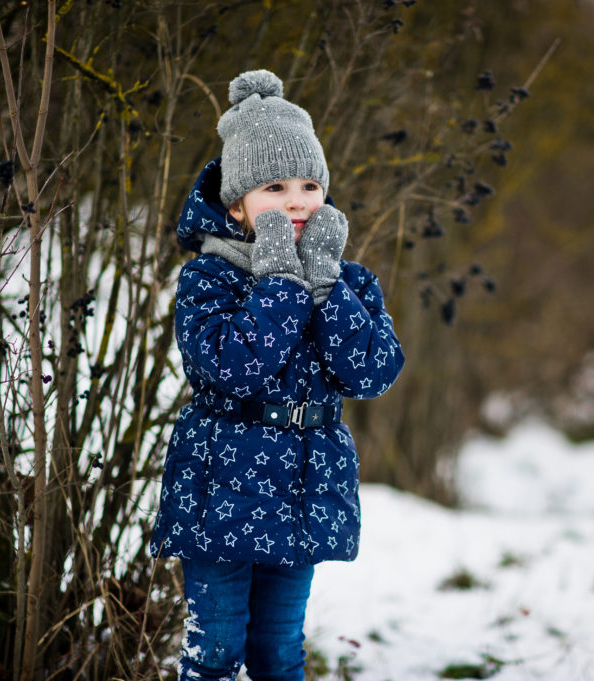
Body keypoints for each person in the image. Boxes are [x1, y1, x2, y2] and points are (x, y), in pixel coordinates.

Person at [149, 69, 405, 681]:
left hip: (303, 493)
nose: (296, 200)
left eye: (310, 184)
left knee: (279, 651)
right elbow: (232, 368)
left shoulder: (345, 280)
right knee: (214, 650)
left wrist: (324, 286)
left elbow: (372, 370)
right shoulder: (210, 279)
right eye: (274, 187)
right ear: (237, 205)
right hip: (221, 492)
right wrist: (282, 286)